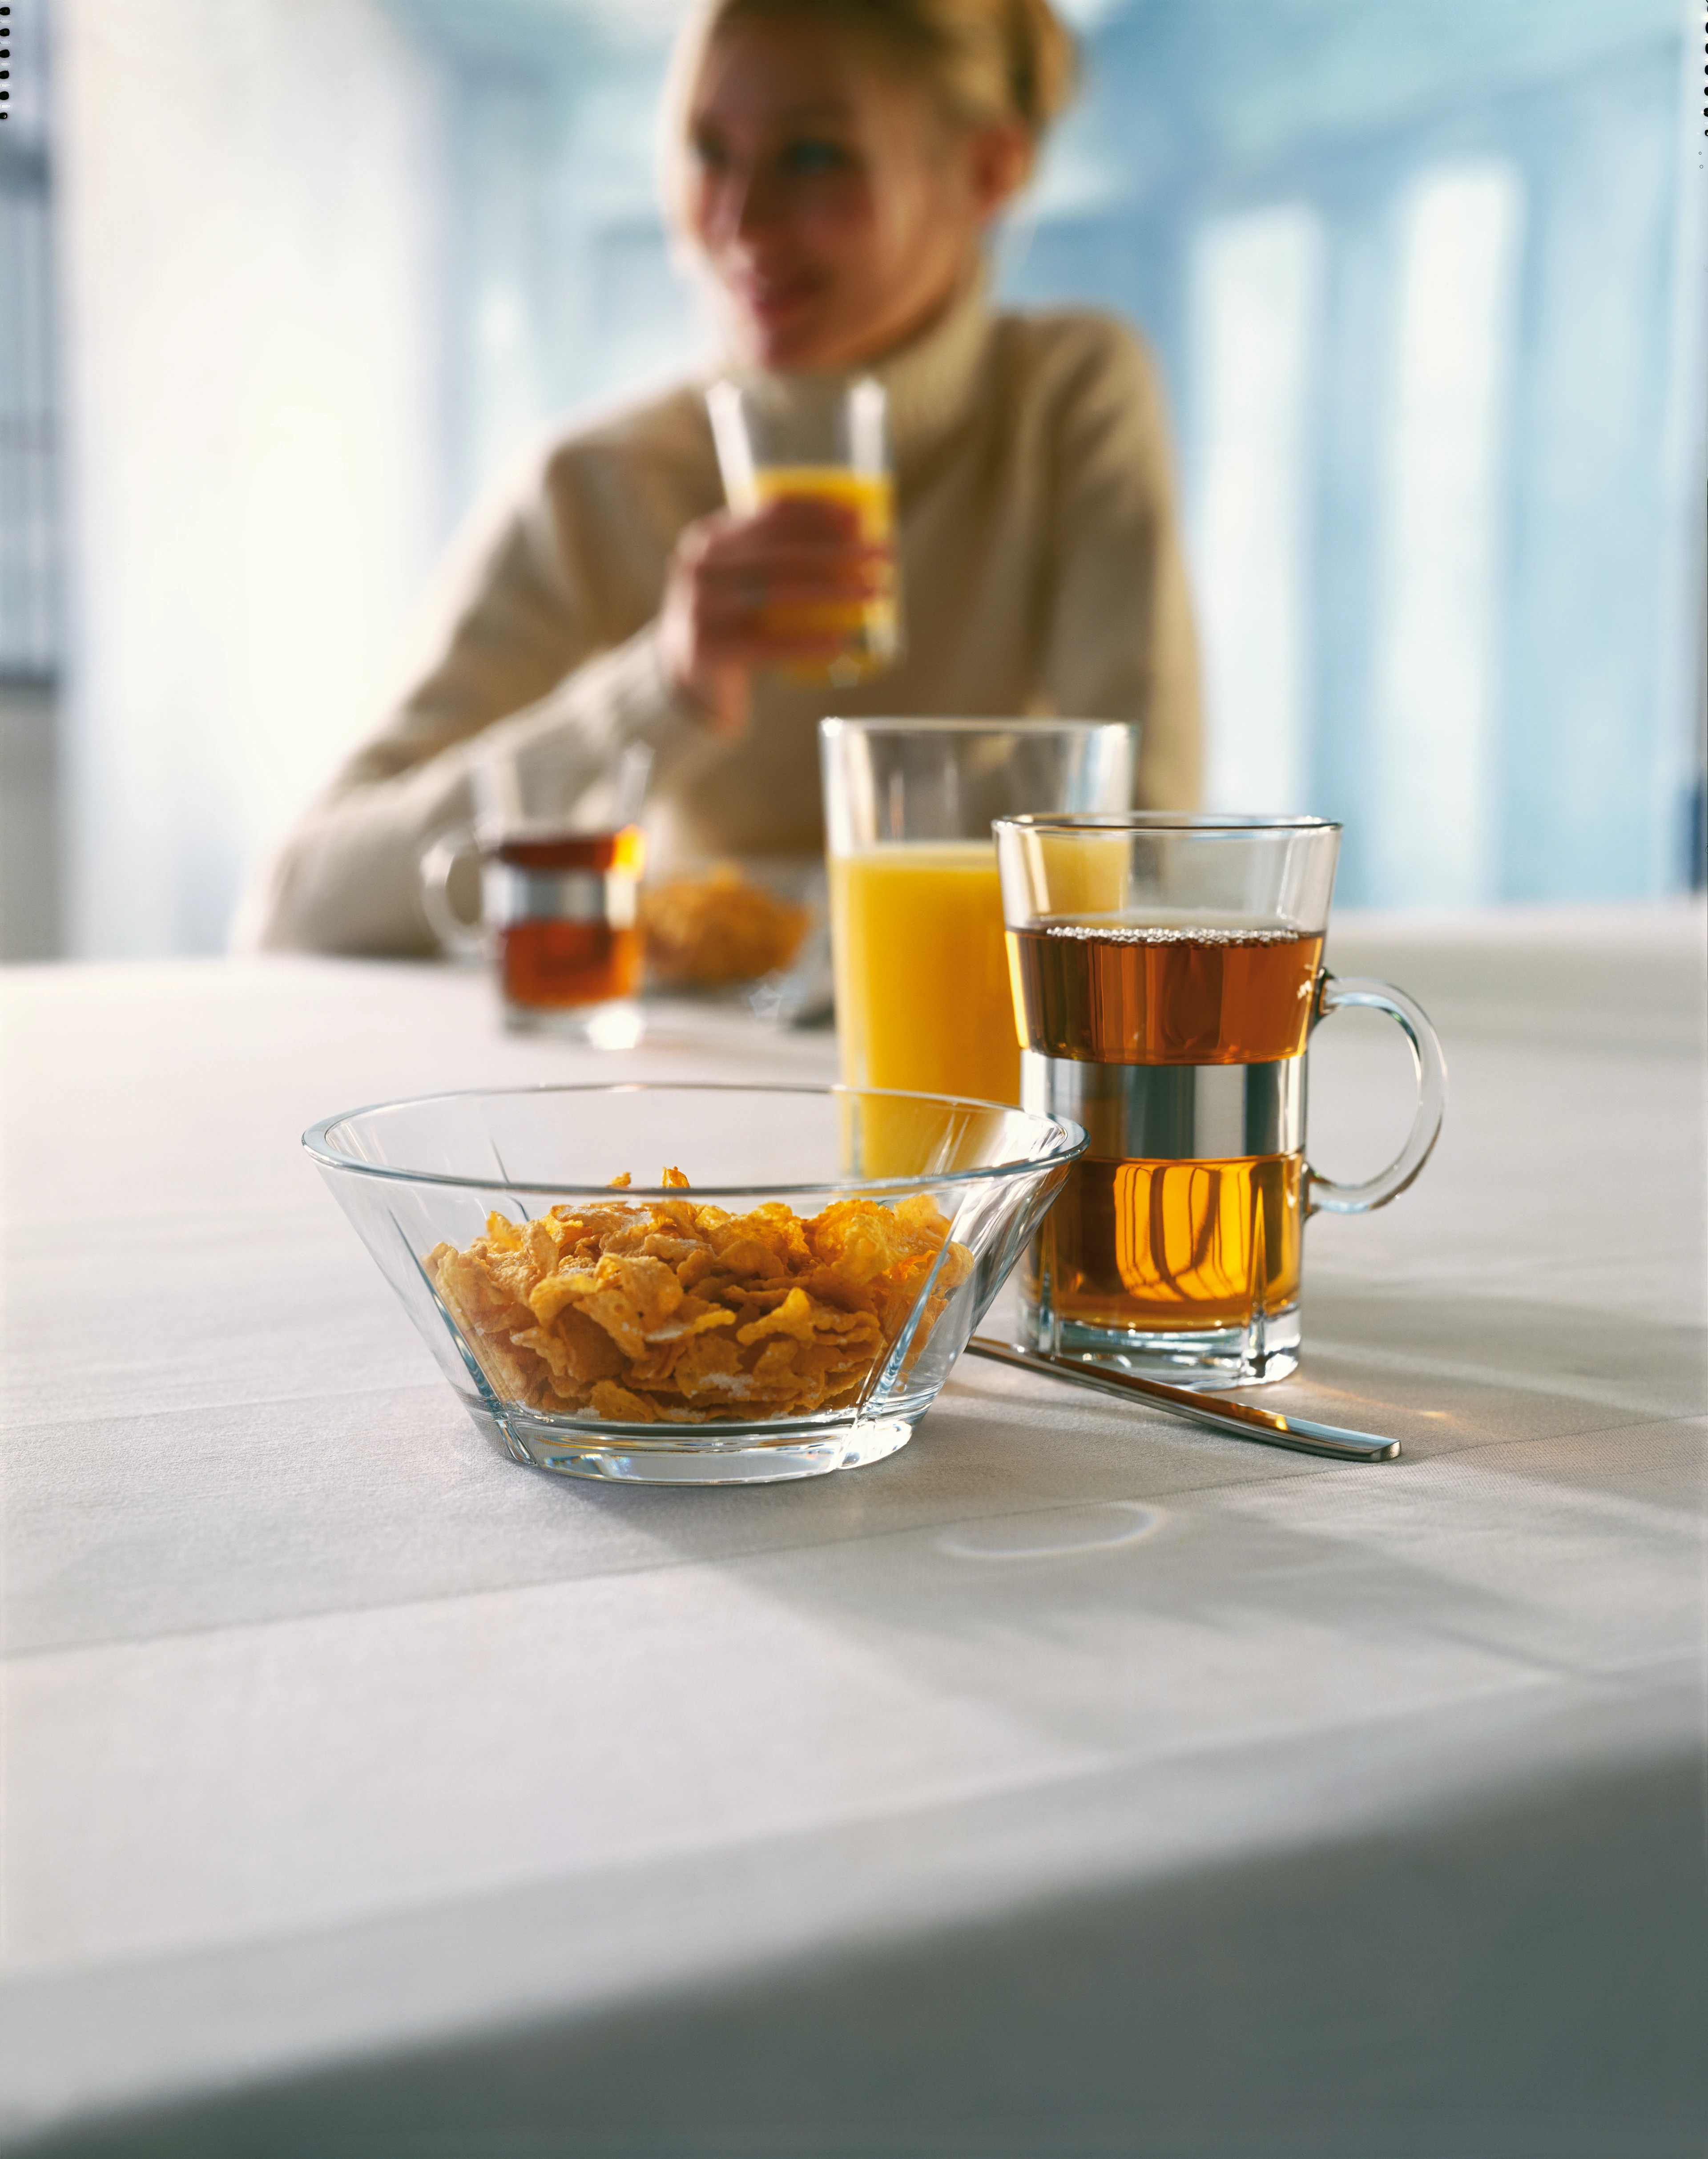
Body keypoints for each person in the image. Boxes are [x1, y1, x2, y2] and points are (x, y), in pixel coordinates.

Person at [247, 0, 1201, 955]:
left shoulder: (1068, 398)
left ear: (989, 171)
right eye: (709, 154)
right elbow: (301, 904)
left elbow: (1137, 851)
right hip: (682, 1072)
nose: (741, 222)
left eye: (815, 157)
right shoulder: (599, 486)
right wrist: (666, 687)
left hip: (973, 1074)